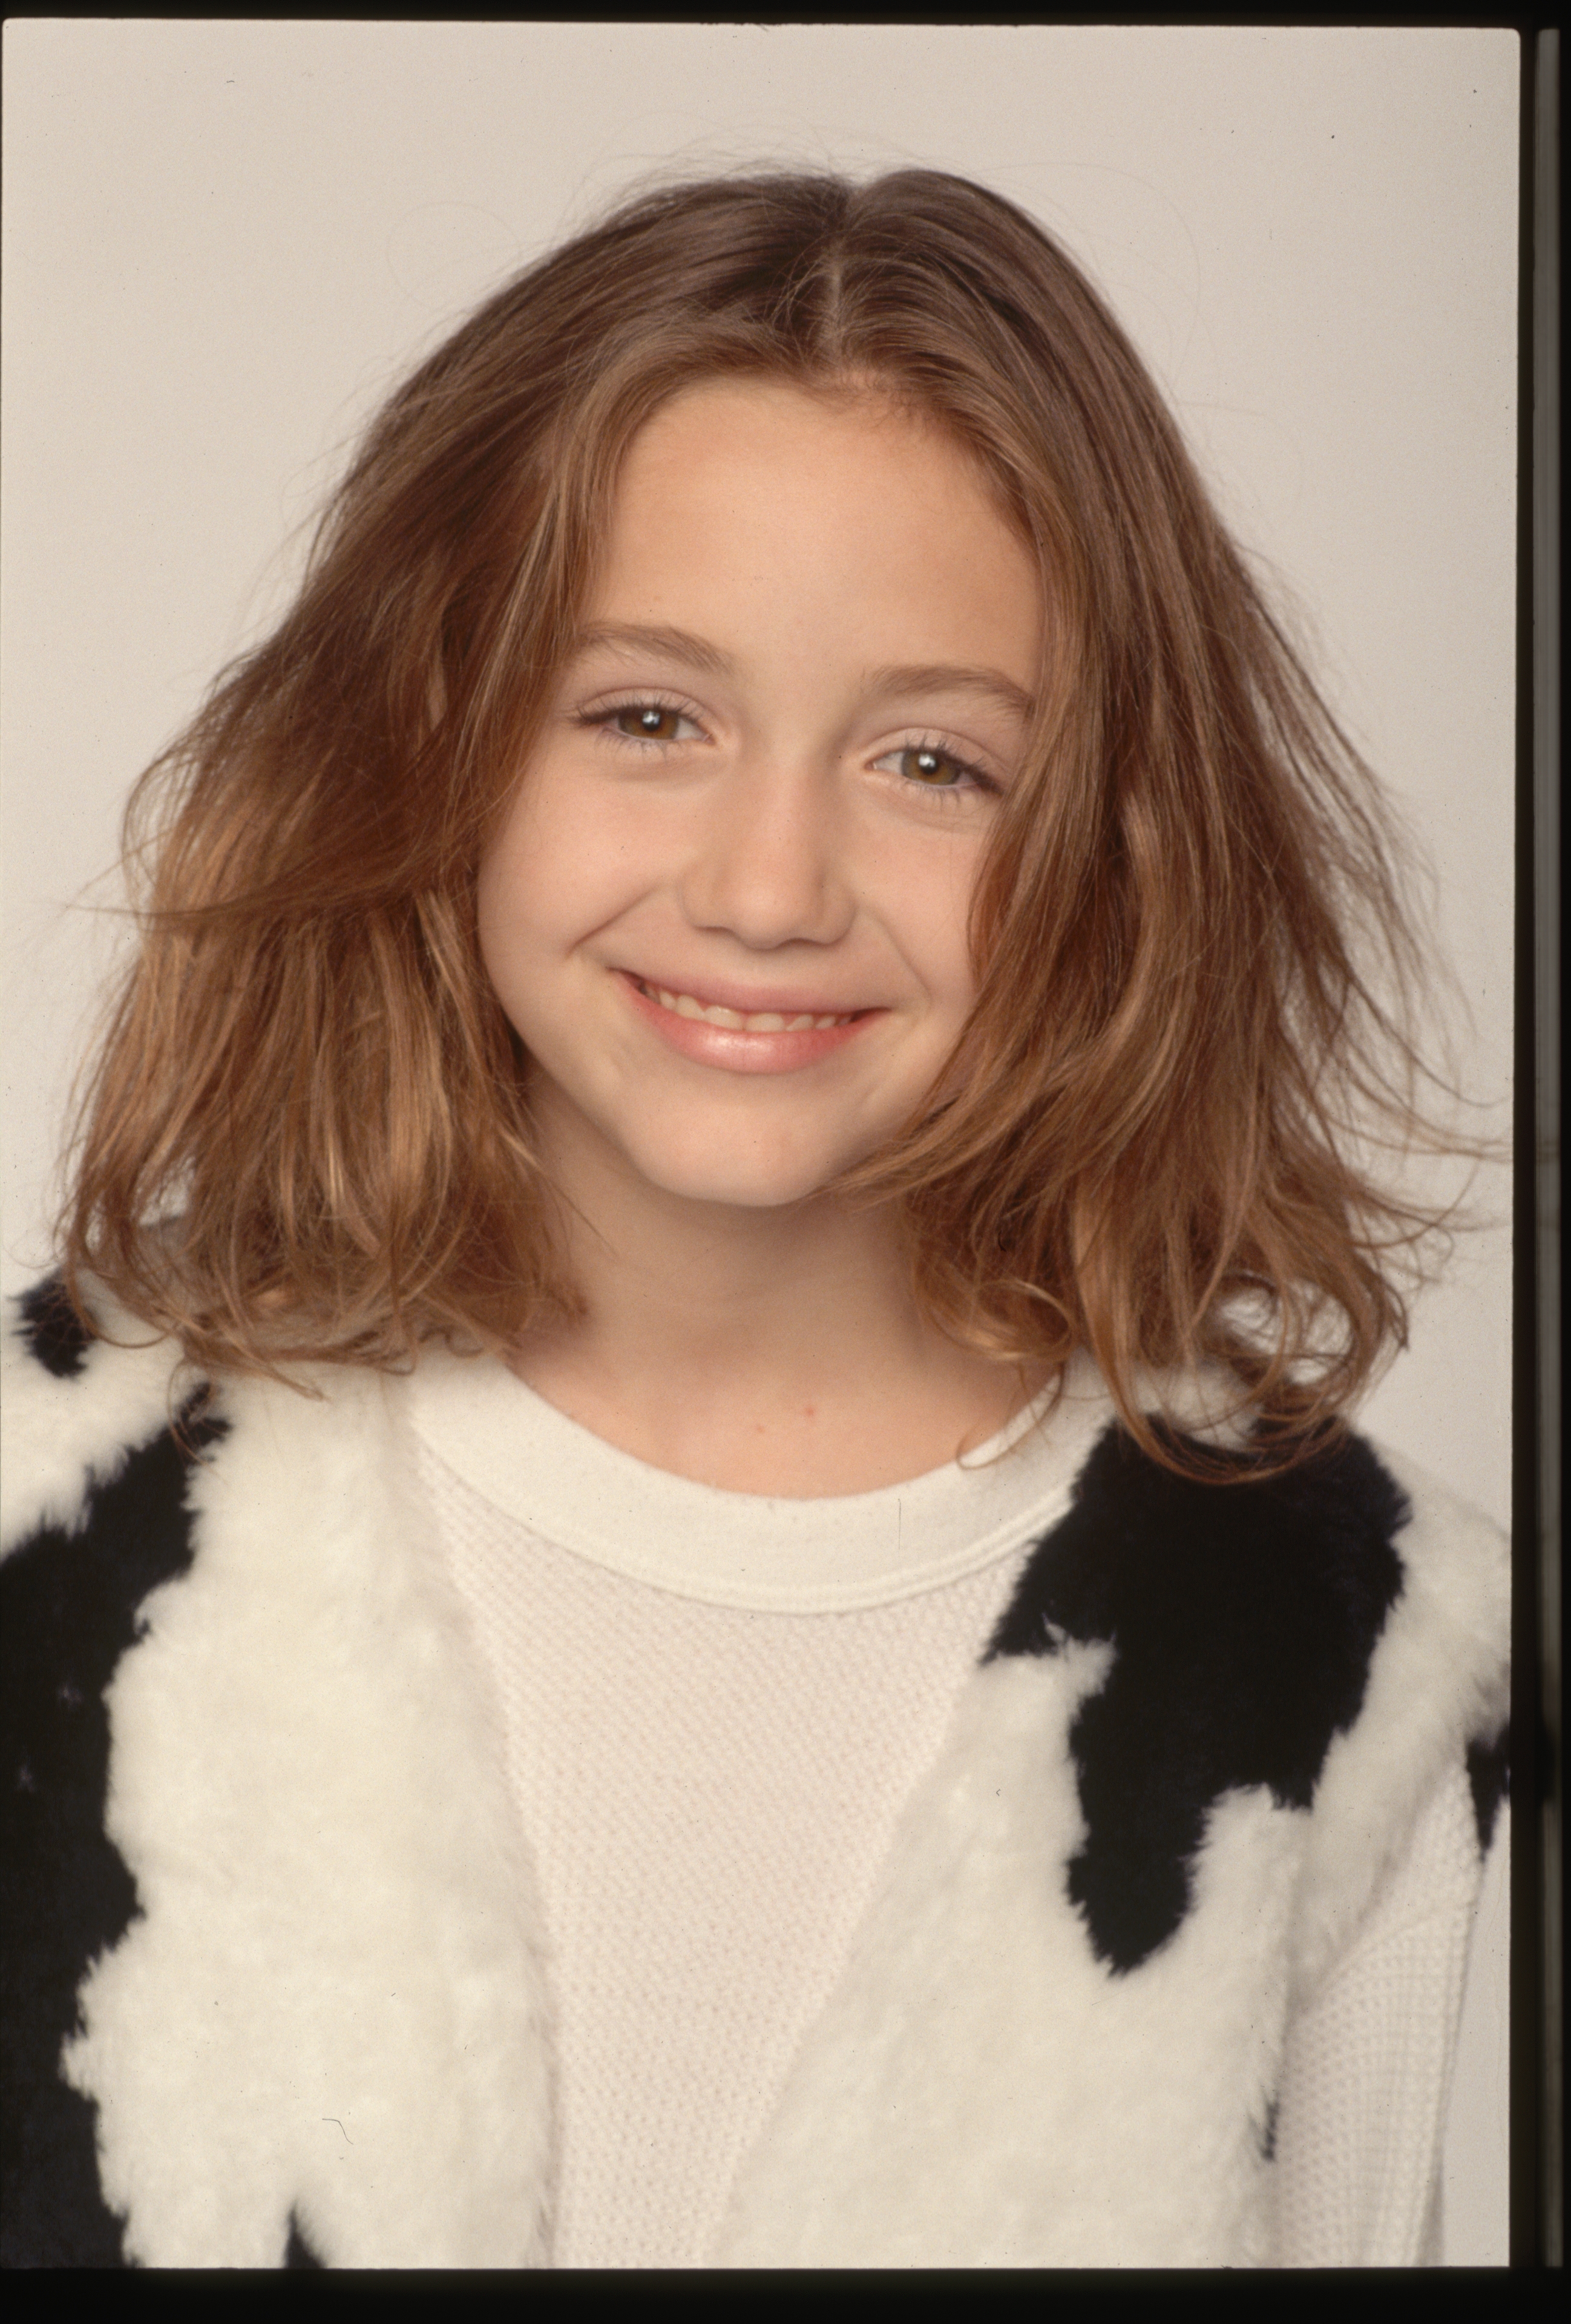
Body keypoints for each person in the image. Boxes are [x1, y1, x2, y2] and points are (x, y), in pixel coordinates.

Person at [1, 168, 1507, 2270]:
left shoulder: (1343, 1652)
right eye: (646, 716)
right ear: (426, 737)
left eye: (932, 761)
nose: (772, 882)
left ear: (1115, 850)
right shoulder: (42, 1501)